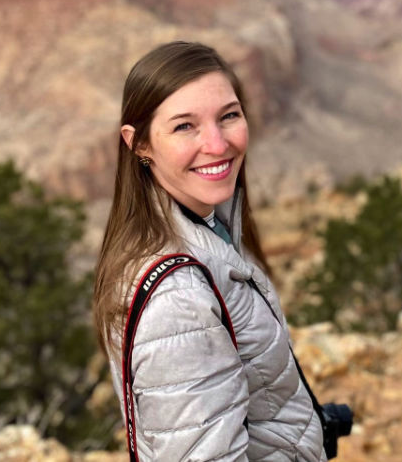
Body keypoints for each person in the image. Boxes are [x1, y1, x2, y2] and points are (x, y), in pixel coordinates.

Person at [92, 41, 327, 461]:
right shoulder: (176, 298)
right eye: (185, 126)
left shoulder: (207, 226)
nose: (218, 145)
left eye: (229, 116)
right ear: (138, 143)